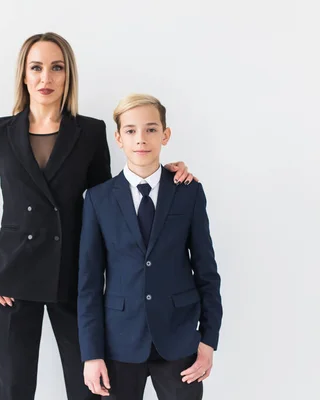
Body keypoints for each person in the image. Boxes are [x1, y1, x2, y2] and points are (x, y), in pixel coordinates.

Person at [0, 33, 196, 400]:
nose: (46, 78)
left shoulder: (89, 131)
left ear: (68, 75)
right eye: (36, 68)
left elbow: (110, 204)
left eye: (57, 68)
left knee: (89, 389)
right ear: (23, 75)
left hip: (71, 277)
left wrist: (165, 173)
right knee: (11, 390)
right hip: (11, 280)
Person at [77, 93, 222, 400]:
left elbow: (207, 272)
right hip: (119, 341)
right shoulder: (98, 199)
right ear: (118, 138)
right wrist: (91, 354)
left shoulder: (189, 191)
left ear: (165, 135)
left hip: (179, 340)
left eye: (151, 129)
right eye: (130, 130)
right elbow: (88, 283)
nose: (140, 139)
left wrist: (209, 341)